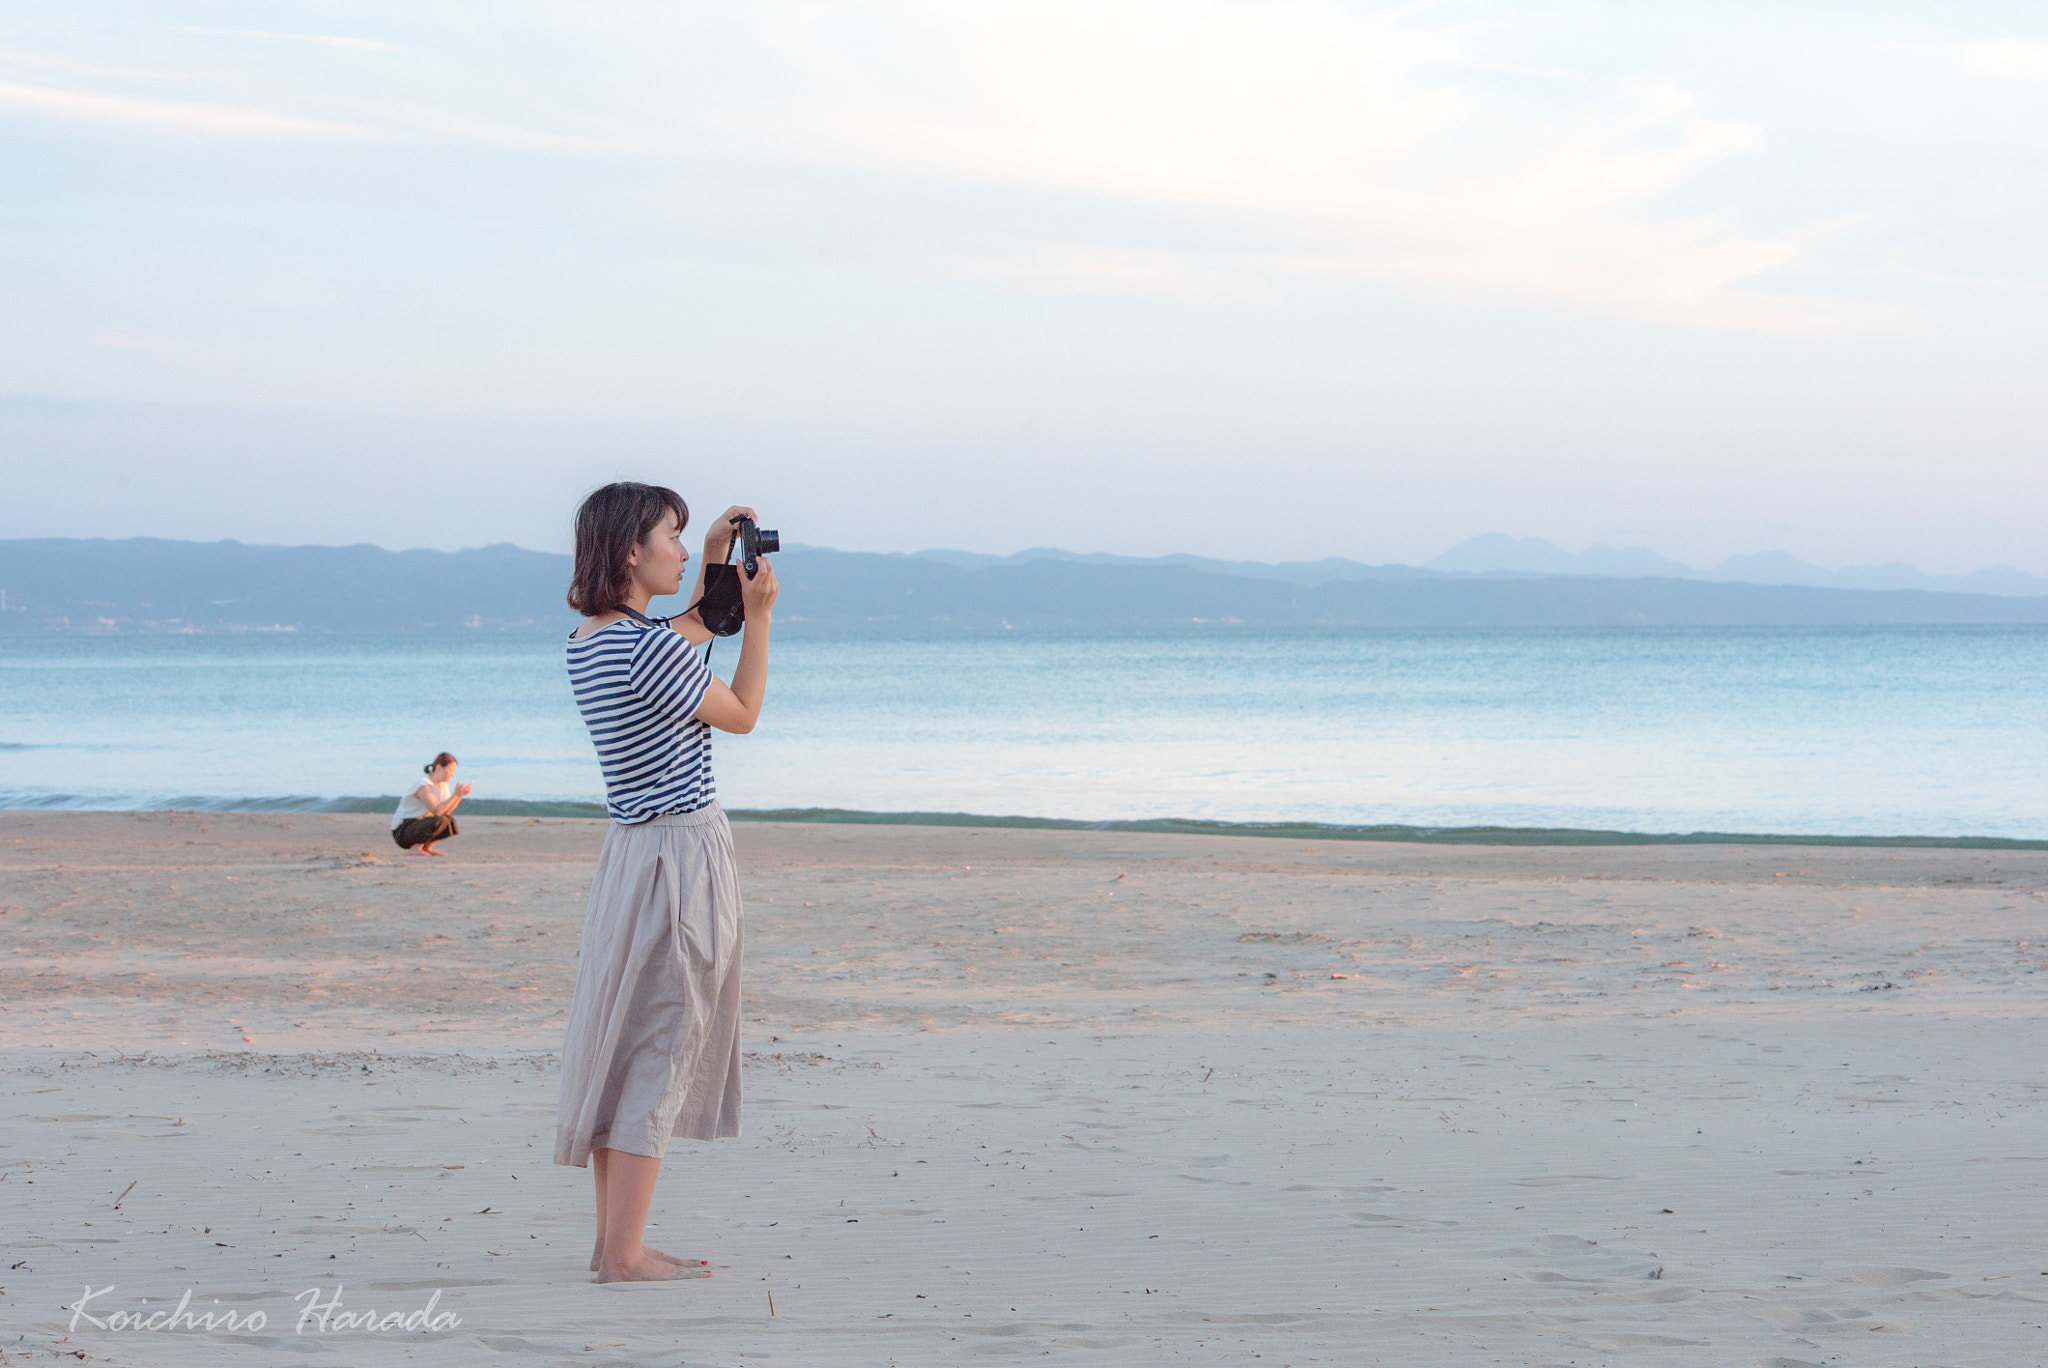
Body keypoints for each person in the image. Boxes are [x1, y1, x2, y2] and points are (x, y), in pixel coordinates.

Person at [551, 481, 778, 1284]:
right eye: (672, 538)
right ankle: (624, 1255)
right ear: (630, 552)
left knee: (629, 1042)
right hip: (681, 856)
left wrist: (718, 562)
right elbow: (743, 711)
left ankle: (618, 1244)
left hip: (630, 857)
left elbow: (686, 631)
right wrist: (761, 618)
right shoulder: (645, 651)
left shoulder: (592, 641)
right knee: (661, 1044)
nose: (680, 552)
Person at [391, 752, 471, 856]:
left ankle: (427, 847)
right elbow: (437, 811)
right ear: (438, 768)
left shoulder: (443, 784)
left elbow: (446, 810)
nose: (452, 774)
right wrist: (455, 794)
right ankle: (416, 847)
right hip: (403, 829)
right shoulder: (424, 784)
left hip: (419, 824)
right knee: (439, 819)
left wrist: (459, 795)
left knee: (448, 820)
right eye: (450, 770)